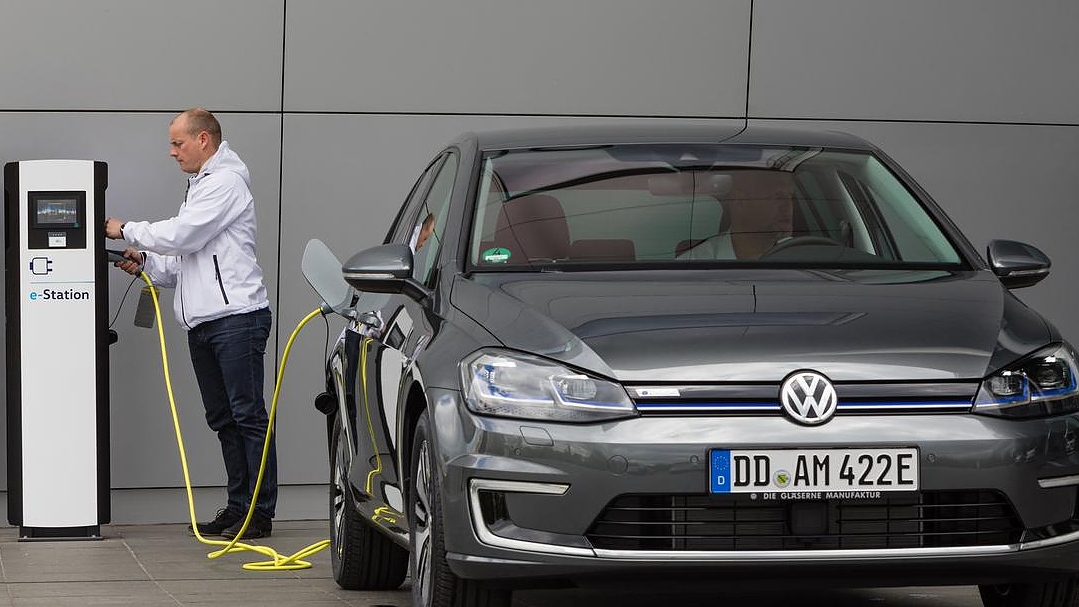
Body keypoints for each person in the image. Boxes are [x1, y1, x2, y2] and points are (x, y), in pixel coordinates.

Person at [105, 108, 276, 539]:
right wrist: (146, 261)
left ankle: (257, 514)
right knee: (224, 420)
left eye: (178, 143)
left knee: (247, 416)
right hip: (205, 324)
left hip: (236, 319)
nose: (172, 152)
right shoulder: (201, 186)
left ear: (204, 140)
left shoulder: (225, 183)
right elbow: (186, 260)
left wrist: (126, 230)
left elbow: (183, 234)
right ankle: (238, 508)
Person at [678, 170, 796, 260]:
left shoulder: (800, 255)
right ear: (740, 200)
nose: (787, 206)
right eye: (777, 196)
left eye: (790, 196)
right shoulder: (693, 267)